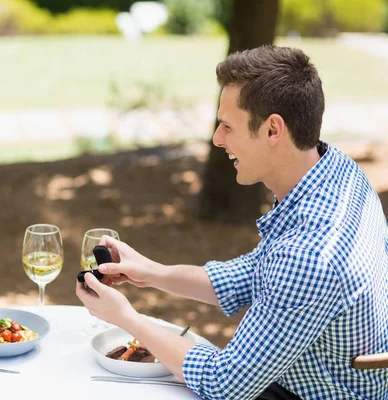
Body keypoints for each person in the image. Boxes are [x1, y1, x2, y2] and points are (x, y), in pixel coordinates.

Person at [77, 45, 388, 400]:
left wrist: (127, 318)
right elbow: (255, 274)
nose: (217, 139)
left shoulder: (310, 253)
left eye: (227, 126)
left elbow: (224, 384)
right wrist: (150, 271)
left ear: (273, 130)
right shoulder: (338, 176)